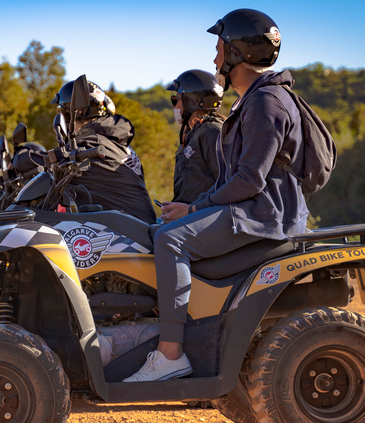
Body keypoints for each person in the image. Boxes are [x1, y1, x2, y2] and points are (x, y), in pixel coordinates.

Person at [124, 8, 309, 381]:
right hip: (254, 210)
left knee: (170, 241)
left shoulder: (265, 102)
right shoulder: (255, 100)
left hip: (261, 215)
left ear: (237, 53)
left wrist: (194, 207)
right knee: (160, 233)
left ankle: (171, 352)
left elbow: (249, 180)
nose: (214, 58)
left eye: (219, 48)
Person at [51, 80, 157, 224]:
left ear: (70, 114)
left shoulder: (90, 144)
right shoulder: (114, 143)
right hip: (135, 227)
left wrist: (24, 158)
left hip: (127, 233)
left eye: (60, 110)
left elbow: (48, 165)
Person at [167, 70, 225, 204]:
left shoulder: (211, 132)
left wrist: (190, 210)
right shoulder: (193, 133)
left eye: (175, 100)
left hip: (203, 219)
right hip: (190, 216)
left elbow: (226, 185)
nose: (172, 105)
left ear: (190, 102)